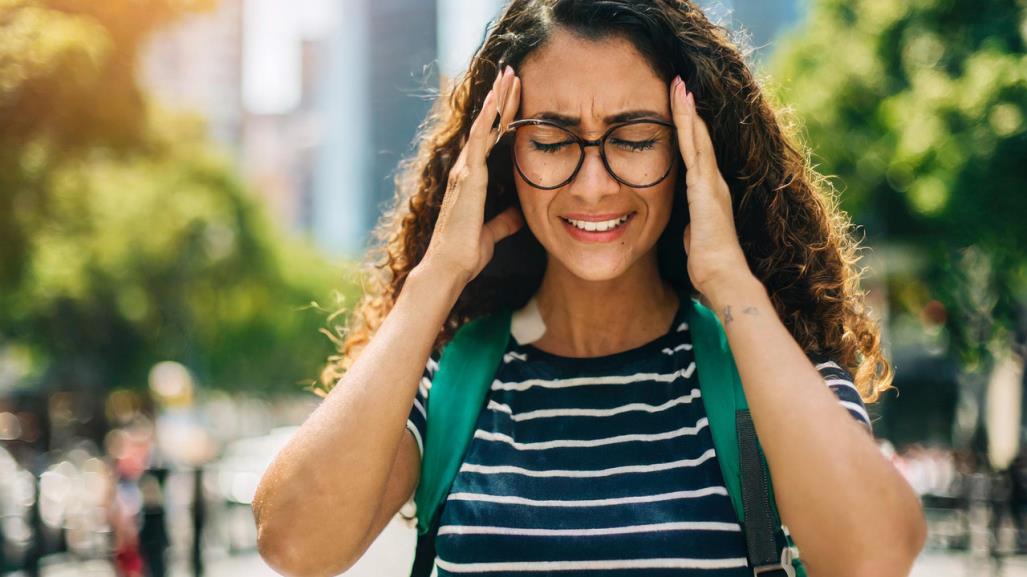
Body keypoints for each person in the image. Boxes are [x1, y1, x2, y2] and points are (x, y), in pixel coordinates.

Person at [252, 1, 927, 576]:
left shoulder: (770, 375)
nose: (592, 184)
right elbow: (293, 542)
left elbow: (872, 555)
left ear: (693, 151)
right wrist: (435, 275)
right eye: (550, 141)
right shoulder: (453, 382)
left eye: (634, 138)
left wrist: (728, 281)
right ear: (500, 155)